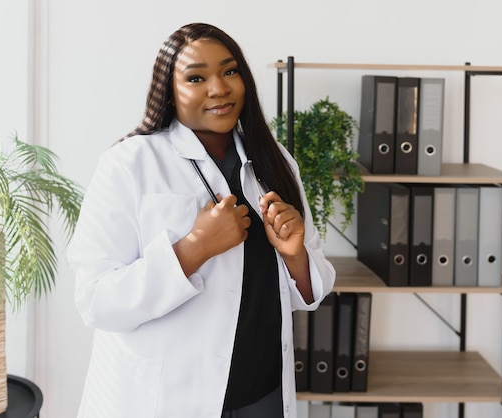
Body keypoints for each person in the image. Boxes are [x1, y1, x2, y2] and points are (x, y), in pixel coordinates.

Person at [67, 22, 335, 418]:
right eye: (196, 77)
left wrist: (296, 255)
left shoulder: (275, 161)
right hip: (166, 399)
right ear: (169, 92)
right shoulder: (129, 164)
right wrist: (193, 250)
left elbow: (308, 292)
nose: (219, 88)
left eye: (230, 71)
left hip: (262, 394)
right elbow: (97, 301)